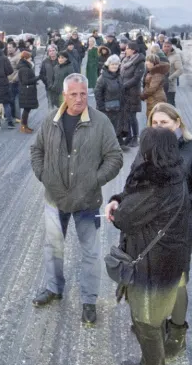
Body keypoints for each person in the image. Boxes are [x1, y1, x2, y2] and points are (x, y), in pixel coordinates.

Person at [103, 127, 192, 365]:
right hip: (166, 261)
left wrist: (117, 206)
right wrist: (119, 198)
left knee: (146, 323)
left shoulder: (155, 186)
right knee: (148, 320)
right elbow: (132, 200)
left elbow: (125, 218)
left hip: (152, 266)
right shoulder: (173, 177)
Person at [120, 102, 192, 359]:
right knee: (149, 275)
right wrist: (121, 200)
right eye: (155, 123)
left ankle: (177, 331)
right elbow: (136, 184)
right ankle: (153, 322)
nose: (160, 127)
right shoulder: (147, 148)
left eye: (165, 122)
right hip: (147, 227)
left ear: (178, 123)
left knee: (178, 281)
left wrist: (182, 207)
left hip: (177, 228)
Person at [30, 73, 124, 325]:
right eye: (74, 94)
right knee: (53, 247)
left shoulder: (100, 122)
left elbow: (115, 157)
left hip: (87, 200)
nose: (79, 98)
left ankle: (89, 300)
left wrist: (94, 179)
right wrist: (43, 174)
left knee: (91, 253)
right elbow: (36, 150)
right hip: (55, 198)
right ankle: (54, 288)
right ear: (65, 95)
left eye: (83, 93)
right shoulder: (51, 120)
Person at [119, 43, 146, 148]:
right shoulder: (125, 60)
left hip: (133, 92)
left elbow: (136, 78)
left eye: (127, 49)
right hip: (124, 92)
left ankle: (135, 137)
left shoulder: (139, 62)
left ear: (133, 50)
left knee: (132, 116)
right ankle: (129, 136)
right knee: (125, 116)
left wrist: (124, 86)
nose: (125, 50)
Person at [95, 54, 124, 146]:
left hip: (118, 108)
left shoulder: (118, 76)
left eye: (116, 64)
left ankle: (116, 144)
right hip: (107, 109)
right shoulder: (102, 78)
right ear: (108, 65)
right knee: (107, 129)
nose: (115, 66)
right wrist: (102, 108)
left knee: (117, 127)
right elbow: (98, 94)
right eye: (112, 64)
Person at [16, 51, 40, 133]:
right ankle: (23, 126)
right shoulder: (25, 68)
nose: (31, 59)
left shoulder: (24, 67)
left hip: (26, 91)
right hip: (26, 91)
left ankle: (25, 126)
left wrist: (34, 80)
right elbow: (25, 81)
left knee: (27, 109)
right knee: (26, 109)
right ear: (25, 58)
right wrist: (37, 78)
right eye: (30, 58)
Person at [163, 41, 182, 106]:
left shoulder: (176, 56)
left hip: (170, 87)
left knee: (170, 106)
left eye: (168, 46)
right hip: (160, 87)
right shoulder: (160, 56)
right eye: (165, 46)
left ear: (171, 47)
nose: (166, 48)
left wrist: (170, 78)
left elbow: (180, 70)